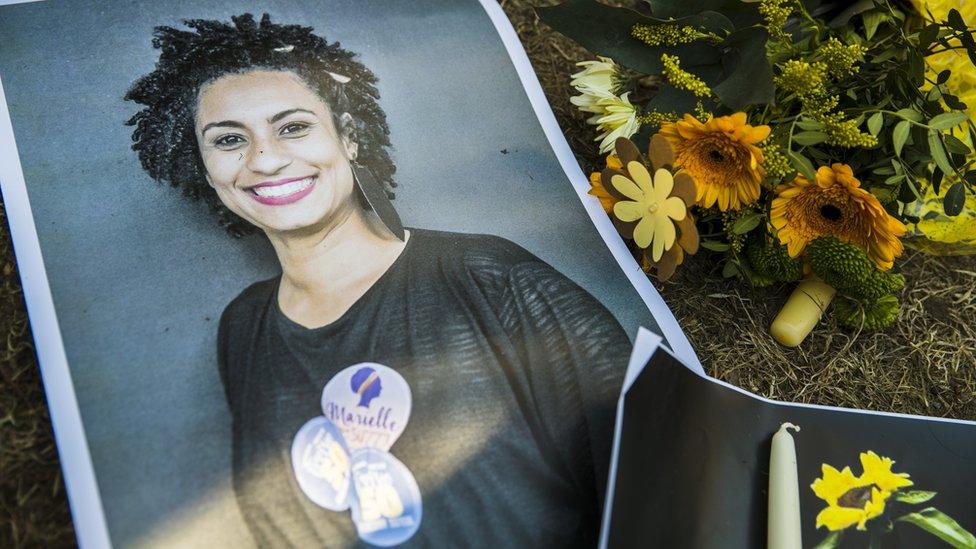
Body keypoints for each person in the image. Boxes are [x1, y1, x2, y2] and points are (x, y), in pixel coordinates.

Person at [126, 13, 631, 548]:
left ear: (348, 137)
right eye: (228, 139)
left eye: (293, 126)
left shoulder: (491, 277)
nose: (266, 158)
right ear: (202, 167)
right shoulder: (243, 328)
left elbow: (655, 476)